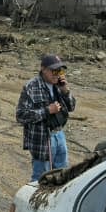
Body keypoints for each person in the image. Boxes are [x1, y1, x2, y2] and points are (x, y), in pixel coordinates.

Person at [16, 54, 75, 183]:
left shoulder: (59, 86)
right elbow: (21, 116)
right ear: (43, 69)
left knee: (62, 175)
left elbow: (71, 107)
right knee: (41, 178)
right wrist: (47, 111)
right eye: (54, 70)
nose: (57, 74)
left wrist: (65, 91)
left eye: (60, 70)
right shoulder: (31, 87)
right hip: (42, 139)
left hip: (59, 135)